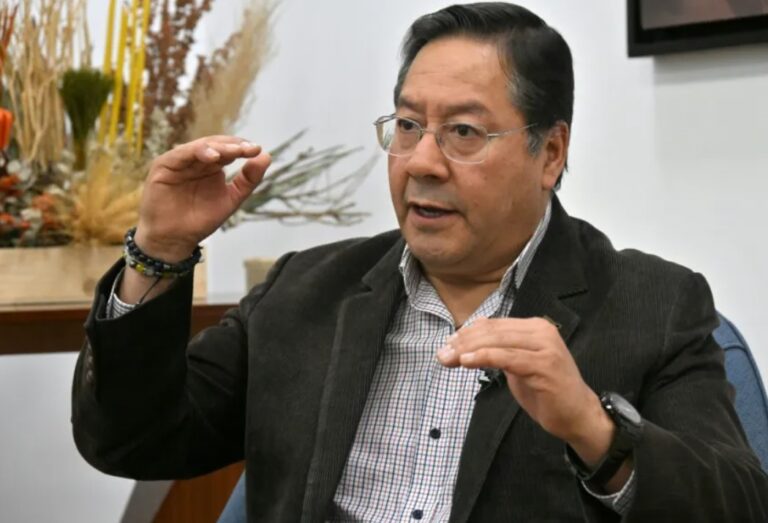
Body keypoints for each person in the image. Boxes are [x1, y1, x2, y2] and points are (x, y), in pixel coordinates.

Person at [72, 3, 768, 521]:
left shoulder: (653, 304)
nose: (422, 162)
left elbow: (739, 505)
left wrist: (594, 429)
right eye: (408, 126)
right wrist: (158, 253)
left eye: (463, 132)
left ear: (550, 153)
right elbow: (132, 441)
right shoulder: (304, 291)